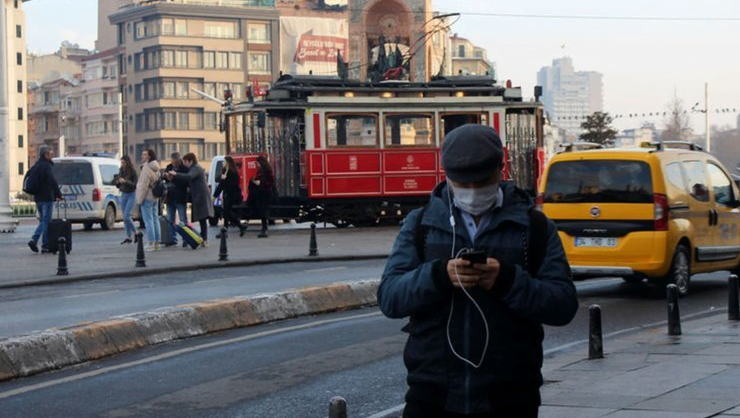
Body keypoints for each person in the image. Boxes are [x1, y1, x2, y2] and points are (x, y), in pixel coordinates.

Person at [378, 124, 578, 418]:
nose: (472, 192)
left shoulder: (534, 228)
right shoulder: (421, 224)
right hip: (432, 394)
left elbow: (563, 305)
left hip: (510, 397)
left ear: (501, 168)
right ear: (447, 175)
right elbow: (390, 297)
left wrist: (508, 280)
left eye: (481, 182)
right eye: (462, 183)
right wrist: (438, 276)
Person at [167, 153, 213, 247]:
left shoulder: (195, 168)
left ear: (190, 161)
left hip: (201, 195)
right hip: (198, 195)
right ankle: (203, 238)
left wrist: (176, 174)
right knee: (201, 219)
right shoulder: (194, 168)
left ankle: (204, 239)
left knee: (202, 218)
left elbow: (189, 176)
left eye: (185, 161)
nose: (184, 163)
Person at [27, 145, 63, 254]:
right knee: (46, 221)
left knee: (44, 221)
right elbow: (52, 181)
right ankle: (36, 240)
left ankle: (44, 245)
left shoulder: (36, 166)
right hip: (47, 197)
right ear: (45, 155)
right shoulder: (47, 166)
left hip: (38, 198)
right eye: (50, 154)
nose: (51, 155)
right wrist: (58, 194)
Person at [213, 156, 247, 237]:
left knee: (226, 212)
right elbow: (220, 182)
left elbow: (232, 184)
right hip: (227, 195)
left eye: (224, 161)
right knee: (226, 213)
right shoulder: (225, 171)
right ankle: (239, 227)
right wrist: (222, 179)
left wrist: (224, 180)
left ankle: (236, 227)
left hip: (232, 195)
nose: (222, 163)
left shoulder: (233, 172)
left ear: (228, 163)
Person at [135, 149, 161, 252]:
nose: (142, 156)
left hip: (147, 197)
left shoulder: (146, 168)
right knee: (155, 219)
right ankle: (157, 242)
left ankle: (151, 243)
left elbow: (143, 186)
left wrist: (139, 200)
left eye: (144, 154)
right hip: (155, 196)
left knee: (148, 220)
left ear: (149, 157)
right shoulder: (156, 167)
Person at [163, 152, 189, 247]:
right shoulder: (169, 166)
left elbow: (185, 182)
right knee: (170, 219)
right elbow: (164, 178)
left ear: (179, 160)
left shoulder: (184, 169)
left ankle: (186, 238)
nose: (173, 164)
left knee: (183, 219)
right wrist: (165, 176)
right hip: (170, 197)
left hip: (180, 196)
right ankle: (172, 238)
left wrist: (173, 178)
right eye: (172, 162)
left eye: (175, 162)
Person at [247, 155, 274, 238]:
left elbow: (269, 182)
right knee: (262, 211)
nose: (257, 164)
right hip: (261, 193)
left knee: (263, 211)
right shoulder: (261, 171)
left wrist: (260, 183)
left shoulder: (267, 171)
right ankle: (263, 227)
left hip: (264, 194)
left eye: (258, 163)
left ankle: (264, 228)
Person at [116, 155, 138, 244]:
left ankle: (136, 232)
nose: (123, 164)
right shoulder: (121, 170)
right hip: (123, 193)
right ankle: (128, 236)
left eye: (124, 163)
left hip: (131, 194)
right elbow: (118, 183)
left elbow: (135, 184)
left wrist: (125, 181)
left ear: (127, 162)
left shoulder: (132, 172)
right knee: (125, 218)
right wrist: (118, 182)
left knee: (126, 215)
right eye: (121, 163)